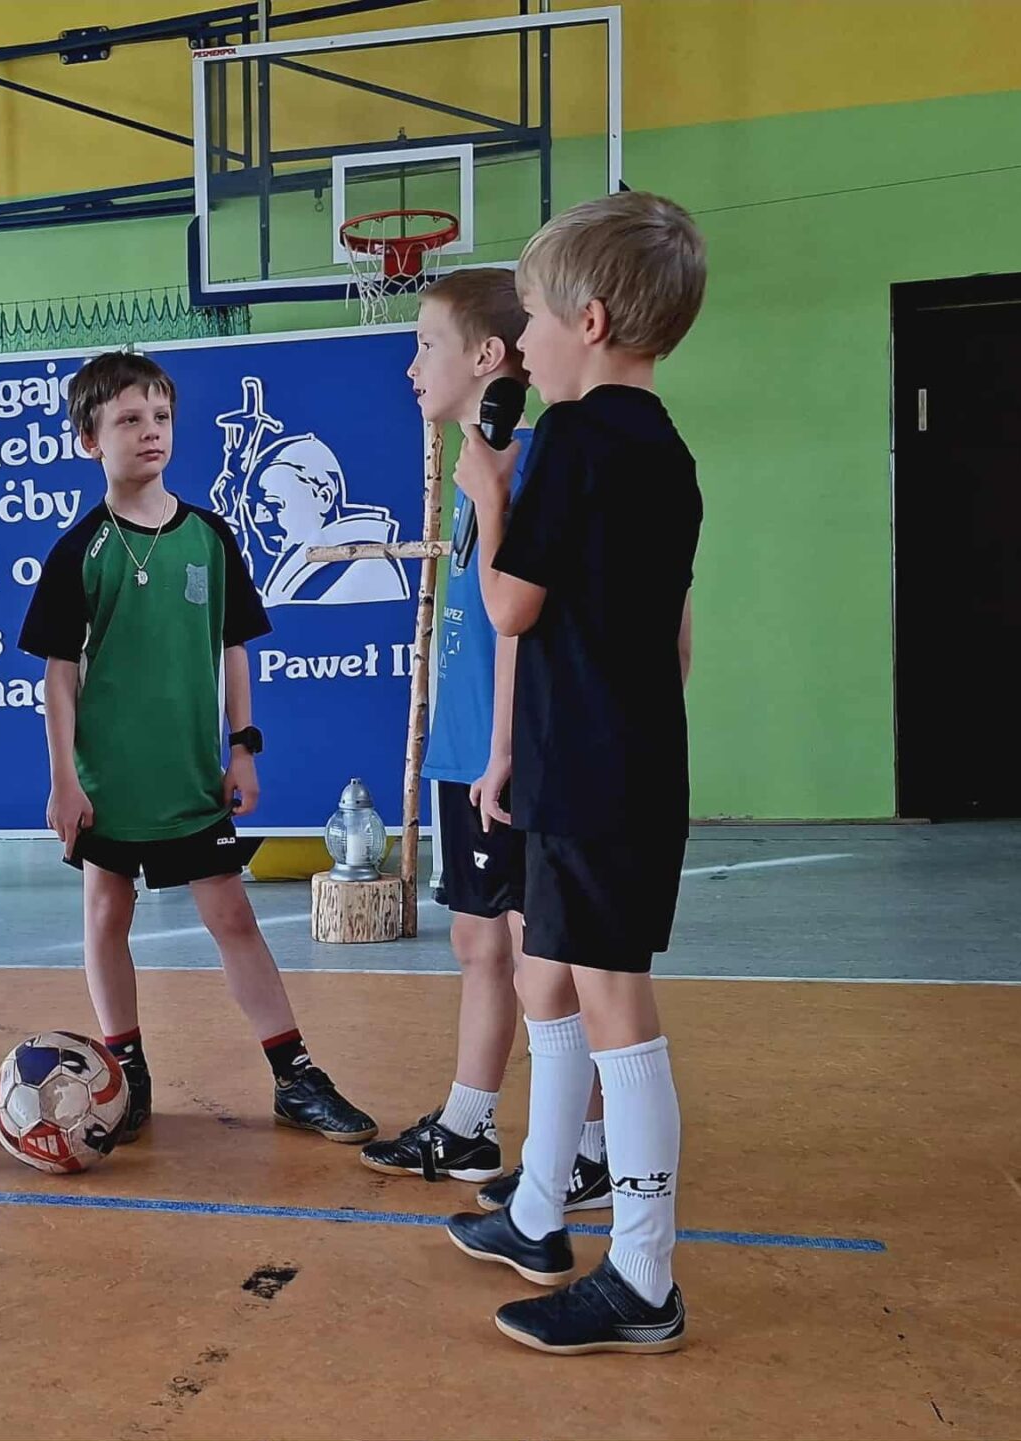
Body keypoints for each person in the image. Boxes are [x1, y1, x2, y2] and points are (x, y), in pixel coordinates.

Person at [442, 191, 706, 1355]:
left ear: (587, 322)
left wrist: (488, 494)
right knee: (545, 967)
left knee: (611, 1005)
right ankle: (539, 1210)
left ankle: (642, 1275)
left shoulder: (575, 441)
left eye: (535, 321)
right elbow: (675, 635)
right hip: (608, 759)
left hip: (593, 773)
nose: (525, 345)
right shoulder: (666, 450)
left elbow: (509, 604)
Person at [17, 349, 378, 1149]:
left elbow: (234, 647)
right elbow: (59, 678)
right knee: (106, 914)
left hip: (190, 779)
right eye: (128, 419)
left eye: (160, 416)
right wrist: (64, 780)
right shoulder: (80, 551)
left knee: (233, 916)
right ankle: (124, 1070)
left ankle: (294, 1075)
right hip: (109, 783)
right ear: (90, 439)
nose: (150, 431)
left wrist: (243, 747)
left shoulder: (210, 537)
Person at [360, 269, 612, 1216]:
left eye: (426, 344)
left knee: (539, 955)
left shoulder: (527, 461)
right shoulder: (477, 464)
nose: (412, 364)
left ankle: (586, 1144)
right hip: (466, 747)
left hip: (501, 756)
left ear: (487, 356)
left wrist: (503, 749)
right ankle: (469, 1123)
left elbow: (519, 625)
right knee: (477, 939)